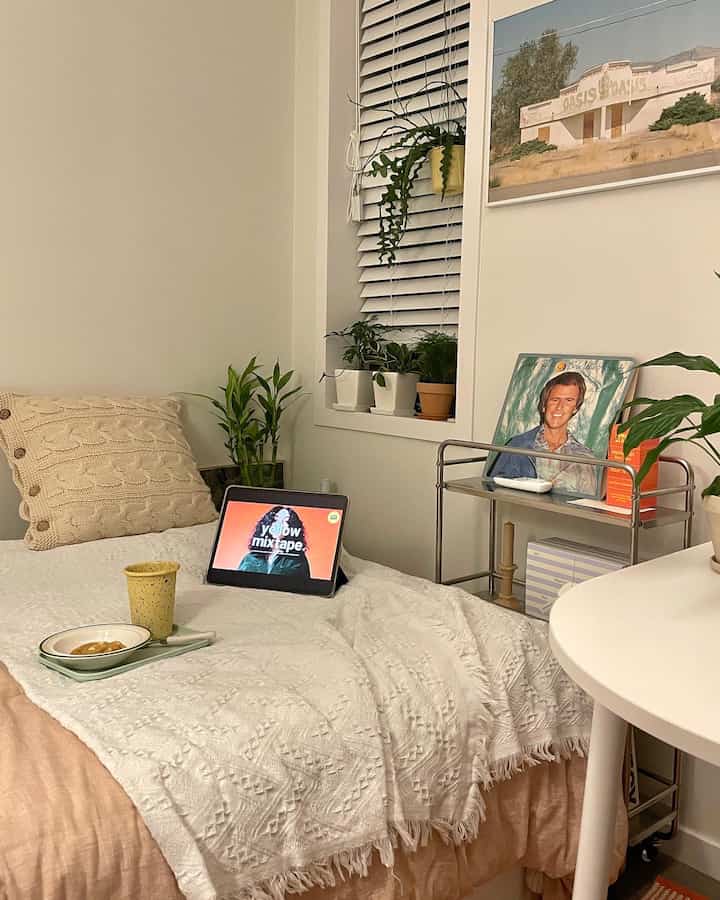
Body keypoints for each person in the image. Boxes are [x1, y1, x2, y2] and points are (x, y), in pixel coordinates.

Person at [488, 371, 597, 495]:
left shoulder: (584, 457)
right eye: (555, 400)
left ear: (576, 408)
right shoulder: (517, 446)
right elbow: (494, 490)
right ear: (544, 405)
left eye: (569, 400)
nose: (560, 407)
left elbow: (588, 502)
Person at [238, 506, 311, 577]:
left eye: (285, 520)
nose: (279, 524)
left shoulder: (297, 559)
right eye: (276, 519)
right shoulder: (250, 557)